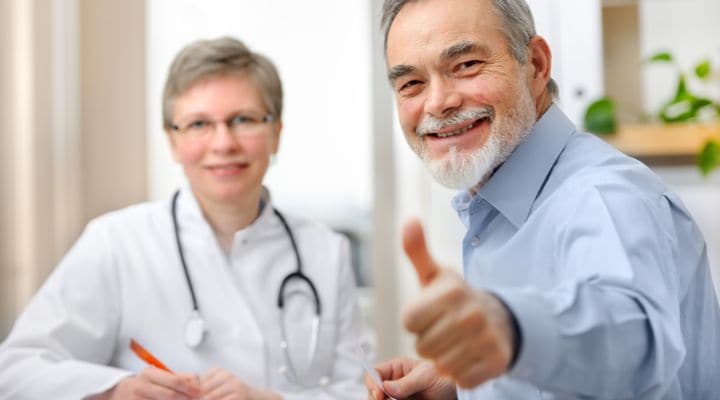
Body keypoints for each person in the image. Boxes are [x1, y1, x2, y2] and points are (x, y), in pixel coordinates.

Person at [367, 0, 720, 399]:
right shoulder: (497, 205)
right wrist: (467, 385)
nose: (437, 102)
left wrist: (511, 329)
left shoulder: (603, 195)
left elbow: (635, 340)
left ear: (535, 64)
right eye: (411, 83)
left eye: (466, 65)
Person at [0, 37, 368, 400]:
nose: (223, 143)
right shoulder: (116, 242)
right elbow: (15, 371)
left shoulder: (326, 252)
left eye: (243, 119)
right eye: (198, 124)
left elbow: (359, 391)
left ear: (276, 133)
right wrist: (113, 390)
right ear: (172, 142)